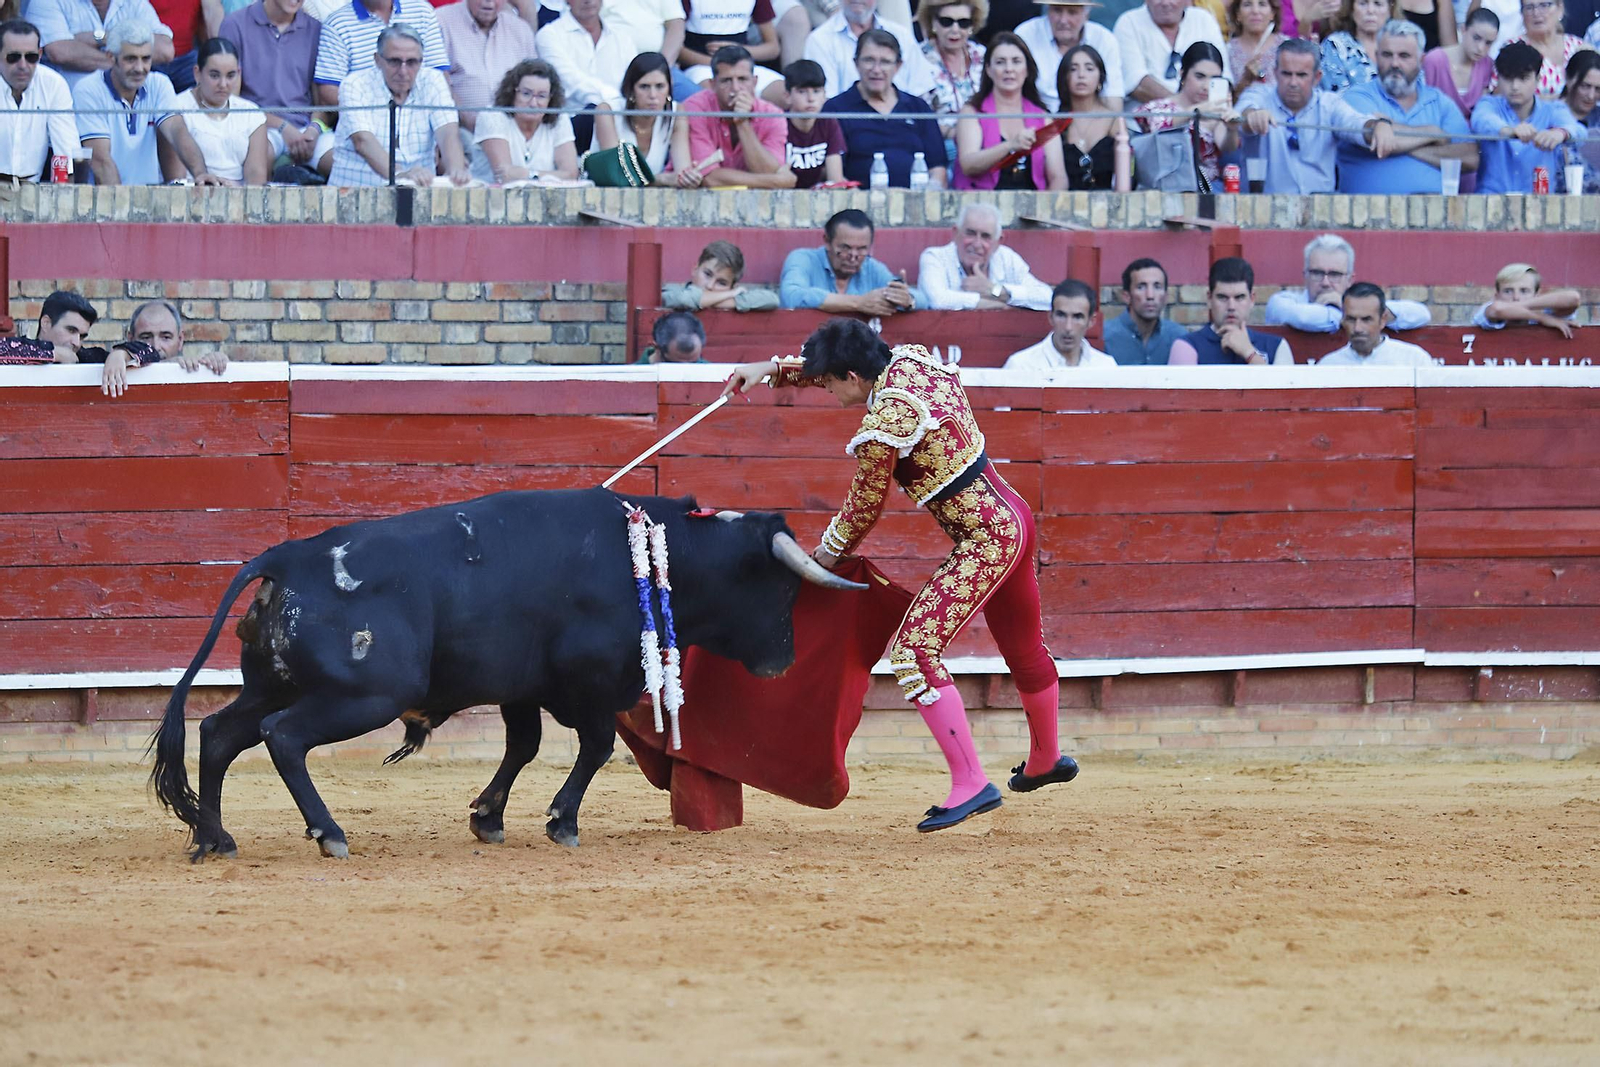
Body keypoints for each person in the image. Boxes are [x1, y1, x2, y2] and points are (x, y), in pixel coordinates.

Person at [721, 318, 1080, 832]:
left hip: (986, 539)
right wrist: (771, 371)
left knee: (913, 652)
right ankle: (1046, 759)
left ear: (850, 376)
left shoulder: (888, 418)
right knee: (1023, 646)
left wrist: (825, 556)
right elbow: (846, 362)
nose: (823, 388)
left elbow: (865, 506)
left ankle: (970, 782)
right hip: (1013, 518)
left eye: (827, 382)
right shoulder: (908, 359)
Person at [1339, 20, 1478, 192]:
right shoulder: (1357, 96)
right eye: (1387, 55)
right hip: (1365, 215)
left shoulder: (1439, 101)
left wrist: (1400, 141)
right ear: (1376, 56)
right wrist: (1432, 133)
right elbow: (1378, 137)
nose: (1395, 63)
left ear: (1421, 60)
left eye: (1404, 56)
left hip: (1431, 214)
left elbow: (1470, 157)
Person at [73, 21, 220, 185]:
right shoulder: (88, 90)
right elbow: (101, 160)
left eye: (146, 59)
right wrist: (121, 206)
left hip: (149, 199)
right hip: (104, 202)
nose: (140, 68)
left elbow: (177, 131)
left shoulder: (159, 84)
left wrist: (200, 173)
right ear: (110, 57)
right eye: (131, 59)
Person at [1239, 37, 1392, 192]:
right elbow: (1242, 115)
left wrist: (1378, 126)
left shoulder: (1329, 104)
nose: (1293, 82)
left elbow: (1355, 123)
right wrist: (1253, 116)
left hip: (1319, 211)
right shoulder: (1259, 94)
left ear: (1317, 77)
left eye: (1301, 75)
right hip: (1264, 210)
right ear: (1276, 73)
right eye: (1287, 74)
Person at [325, 24, 471, 186]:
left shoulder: (434, 80)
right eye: (395, 61)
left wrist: (456, 171)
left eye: (412, 62)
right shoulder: (355, 84)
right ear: (377, 60)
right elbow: (362, 141)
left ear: (421, 62)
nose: (403, 71)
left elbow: (448, 132)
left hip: (419, 193)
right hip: (355, 193)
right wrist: (399, 175)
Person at [218, 0, 328, 179]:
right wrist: (283, 126)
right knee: (260, 156)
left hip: (305, 128)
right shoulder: (235, 25)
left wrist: (313, 130)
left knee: (339, 161)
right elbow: (230, 102)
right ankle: (255, 207)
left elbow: (322, 101)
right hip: (256, 124)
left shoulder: (315, 29)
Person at [826, 29, 949, 187]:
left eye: (885, 62)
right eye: (869, 60)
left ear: (898, 66)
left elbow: (938, 167)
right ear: (856, 63)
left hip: (915, 202)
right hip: (856, 204)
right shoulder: (836, 109)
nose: (876, 70)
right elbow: (833, 174)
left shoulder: (917, 107)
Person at [953, 31, 1069, 189]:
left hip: (1034, 209)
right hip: (983, 207)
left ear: (1027, 70)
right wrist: (1010, 145)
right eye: (1000, 62)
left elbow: (1058, 177)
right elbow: (968, 164)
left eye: (1016, 61)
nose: (1009, 69)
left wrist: (1044, 209)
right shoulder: (972, 111)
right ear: (988, 69)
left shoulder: (1042, 116)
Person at [676, 44, 794, 187]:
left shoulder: (773, 115)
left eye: (742, 79)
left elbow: (767, 170)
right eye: (726, 81)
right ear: (712, 84)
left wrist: (742, 123)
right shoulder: (695, 108)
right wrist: (776, 181)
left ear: (755, 82)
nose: (736, 88)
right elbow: (708, 177)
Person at [1472, 40, 1585, 189]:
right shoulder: (1488, 104)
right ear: (1498, 79)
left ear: (1538, 79)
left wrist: (1561, 133)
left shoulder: (1552, 110)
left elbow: (1580, 132)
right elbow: (1481, 120)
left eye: (1523, 78)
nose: (1515, 86)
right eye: (1508, 78)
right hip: (1490, 205)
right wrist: (1509, 131)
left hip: (1540, 206)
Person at [436, 0, 538, 159]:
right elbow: (437, 81)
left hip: (514, 131)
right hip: (461, 130)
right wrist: (466, 117)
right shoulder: (441, 21)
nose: (489, 4)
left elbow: (535, 84)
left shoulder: (520, 29)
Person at [1266, 234, 1431, 332]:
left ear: (1350, 280)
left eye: (1334, 275)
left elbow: (1422, 314)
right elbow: (1302, 318)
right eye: (1317, 273)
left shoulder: (1364, 307)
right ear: (1305, 275)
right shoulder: (1282, 302)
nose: (1325, 283)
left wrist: (1357, 308)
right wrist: (1351, 313)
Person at [779, 207, 926, 313]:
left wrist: (907, 300)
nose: (853, 256)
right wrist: (858, 303)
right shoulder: (803, 259)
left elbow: (924, 300)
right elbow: (791, 296)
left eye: (862, 249)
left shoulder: (872, 268)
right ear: (827, 241)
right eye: (845, 248)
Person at [1135, 40, 1237, 187]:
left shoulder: (1216, 111)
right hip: (1165, 189)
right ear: (1182, 74)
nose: (1206, 86)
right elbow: (1156, 130)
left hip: (1209, 190)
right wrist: (1195, 113)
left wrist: (1232, 129)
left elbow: (1227, 147)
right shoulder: (1158, 108)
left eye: (1214, 79)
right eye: (1200, 76)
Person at [313, 0, 449, 110]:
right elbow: (329, 92)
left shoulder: (422, 11)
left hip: (421, 119)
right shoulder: (337, 24)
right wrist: (379, 113)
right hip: (364, 122)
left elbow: (440, 75)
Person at [917, 201, 1053, 310]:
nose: (977, 244)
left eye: (985, 236)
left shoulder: (1007, 258)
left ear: (998, 242)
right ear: (955, 234)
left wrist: (994, 290)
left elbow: (1047, 297)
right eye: (970, 233)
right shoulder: (935, 257)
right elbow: (938, 300)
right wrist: (998, 304)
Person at [173, 38, 270, 185]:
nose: (223, 84)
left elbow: (256, 179)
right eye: (214, 75)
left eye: (230, 76)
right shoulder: (176, 108)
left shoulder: (251, 114)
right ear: (197, 73)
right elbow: (176, 179)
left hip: (239, 199)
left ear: (239, 73)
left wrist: (234, 191)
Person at [1168, 256, 1294, 365]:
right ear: (1209, 299)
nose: (1231, 306)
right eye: (1222, 297)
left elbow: (1283, 392)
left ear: (1252, 299)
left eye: (1239, 297)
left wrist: (1249, 353)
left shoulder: (1276, 346)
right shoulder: (1188, 346)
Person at [475, 59, 581, 183]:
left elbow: (571, 174)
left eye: (541, 96)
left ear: (551, 99)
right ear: (512, 92)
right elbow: (504, 176)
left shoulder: (559, 118)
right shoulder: (492, 116)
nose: (533, 103)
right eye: (526, 94)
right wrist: (549, 176)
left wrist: (529, 174)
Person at [33, 0, 174, 92]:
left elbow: (164, 50)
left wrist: (103, 37)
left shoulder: (134, 3)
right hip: (71, 105)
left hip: (130, 103)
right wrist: (126, 52)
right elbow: (60, 51)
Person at [0, 19, 79, 182]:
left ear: (40, 55)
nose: (23, 65)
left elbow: (67, 153)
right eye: (13, 57)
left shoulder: (53, 84)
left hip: (33, 193)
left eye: (31, 57)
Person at [594, 52, 691, 185]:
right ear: (631, 90)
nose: (653, 95)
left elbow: (682, 171)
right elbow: (617, 176)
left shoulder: (677, 112)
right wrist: (660, 179)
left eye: (660, 86)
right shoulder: (607, 111)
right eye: (644, 87)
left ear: (669, 89)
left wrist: (689, 178)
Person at [804, 0, 935, 97]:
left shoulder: (902, 35)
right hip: (847, 128)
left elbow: (921, 89)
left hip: (902, 126)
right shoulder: (819, 40)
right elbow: (826, 100)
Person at [1113, 0, 1230, 102]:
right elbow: (1136, 83)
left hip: (1204, 118)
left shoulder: (1203, 19)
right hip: (1143, 122)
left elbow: (1223, 76)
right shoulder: (1128, 22)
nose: (1166, 3)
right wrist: (1183, 110)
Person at [1015, 0, 1124, 109]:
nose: (1063, 20)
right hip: (1037, 117)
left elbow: (1112, 96)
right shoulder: (1026, 34)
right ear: (1048, 11)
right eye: (1057, 11)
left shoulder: (1104, 39)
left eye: (1072, 12)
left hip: (1088, 119)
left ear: (1086, 15)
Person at [920, 0, 987, 164]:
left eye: (963, 23)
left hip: (984, 140)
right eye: (946, 22)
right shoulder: (918, 58)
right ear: (933, 23)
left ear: (972, 26)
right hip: (940, 143)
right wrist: (955, 134)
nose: (955, 30)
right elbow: (916, 115)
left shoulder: (983, 55)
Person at [1057, 43, 1131, 188]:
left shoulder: (1114, 120)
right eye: (1073, 69)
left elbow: (1127, 174)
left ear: (1100, 78)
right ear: (1064, 77)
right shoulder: (1056, 123)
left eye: (1089, 68)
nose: (1081, 75)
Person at [534, 0, 632, 109]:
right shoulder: (548, 35)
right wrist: (614, 101)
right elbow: (571, 83)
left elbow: (634, 80)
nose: (588, 1)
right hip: (572, 118)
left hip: (621, 116)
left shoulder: (622, 37)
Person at [1317, 282, 1437, 366]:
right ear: (1343, 320)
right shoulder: (1328, 364)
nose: (1358, 328)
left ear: (1383, 320)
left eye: (1366, 319)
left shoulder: (1413, 360)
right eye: (1351, 319)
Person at [1004, 279, 1116, 368]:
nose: (1068, 327)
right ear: (1050, 317)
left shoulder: (1105, 367)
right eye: (1061, 315)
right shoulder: (1022, 366)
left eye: (1077, 317)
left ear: (1091, 321)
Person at [677, 0, 781, 92]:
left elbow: (773, 48)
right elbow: (677, 49)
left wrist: (738, 50)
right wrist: (718, 62)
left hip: (744, 67)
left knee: (785, 93)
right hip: (701, 68)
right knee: (713, 95)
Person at [1102, 256, 1185, 364]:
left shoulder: (1178, 336)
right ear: (1127, 296)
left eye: (1157, 287)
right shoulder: (1105, 336)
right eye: (1141, 287)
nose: (1150, 295)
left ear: (1165, 296)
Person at [1500, 0, 1588, 97]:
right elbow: (1500, 98)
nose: (1536, 13)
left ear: (1560, 8)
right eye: (1529, 7)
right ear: (1522, 14)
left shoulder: (1579, 47)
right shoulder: (1513, 49)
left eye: (1544, 5)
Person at [663, 239, 781, 311]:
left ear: (733, 286)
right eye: (707, 274)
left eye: (721, 283)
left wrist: (713, 301)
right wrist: (730, 294)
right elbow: (683, 299)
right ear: (695, 269)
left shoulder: (730, 295)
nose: (710, 286)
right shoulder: (673, 291)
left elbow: (772, 299)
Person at [1423, 5, 1497, 118]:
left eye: (1488, 43)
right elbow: (1423, 104)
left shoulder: (1487, 65)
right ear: (1463, 30)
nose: (1481, 48)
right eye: (1476, 38)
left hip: (1474, 133)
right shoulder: (1434, 60)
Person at [1472, 261, 1582, 336]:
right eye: (1508, 291)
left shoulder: (1546, 311)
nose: (1516, 297)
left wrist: (1522, 306)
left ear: (1537, 295)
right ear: (1497, 296)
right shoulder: (1488, 310)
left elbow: (1573, 298)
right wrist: (1542, 318)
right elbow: (1497, 309)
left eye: (1524, 291)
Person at [781, 57, 844, 187]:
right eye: (802, 91)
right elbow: (778, 177)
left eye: (816, 91)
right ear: (787, 96)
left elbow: (835, 179)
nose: (810, 99)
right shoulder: (778, 123)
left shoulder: (829, 123)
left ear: (824, 95)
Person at [1319, 0, 1387, 91]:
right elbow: (1336, 99)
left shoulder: (1402, 44)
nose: (1370, 10)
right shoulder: (1335, 45)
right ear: (1351, 9)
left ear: (1390, 9)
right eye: (1363, 3)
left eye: (1378, 3)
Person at [1558, 47, 1600, 190]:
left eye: (1597, 89)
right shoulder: (1548, 114)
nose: (1591, 95)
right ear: (1569, 79)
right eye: (1585, 86)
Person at [1226, 0, 1281, 93]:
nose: (1255, 11)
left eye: (1262, 4)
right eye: (1247, 4)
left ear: (1272, 13)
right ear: (1238, 14)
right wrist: (1246, 80)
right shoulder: (1228, 50)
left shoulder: (1287, 47)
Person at [637, 310, 706, 362]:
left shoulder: (713, 375)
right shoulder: (633, 377)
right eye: (675, 364)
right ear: (657, 348)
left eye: (694, 362)